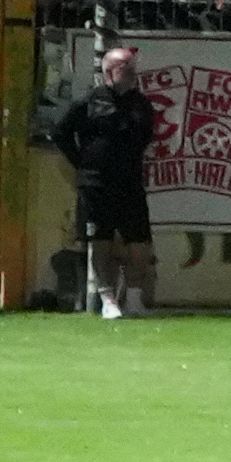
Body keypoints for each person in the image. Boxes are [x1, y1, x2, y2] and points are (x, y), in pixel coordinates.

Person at [49, 42, 165, 319]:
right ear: (111, 71)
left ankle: (134, 297)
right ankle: (108, 299)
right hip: (96, 185)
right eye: (128, 69)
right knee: (99, 241)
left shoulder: (141, 104)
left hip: (130, 183)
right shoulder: (88, 102)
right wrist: (82, 164)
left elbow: (147, 135)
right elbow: (60, 133)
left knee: (139, 244)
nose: (134, 74)